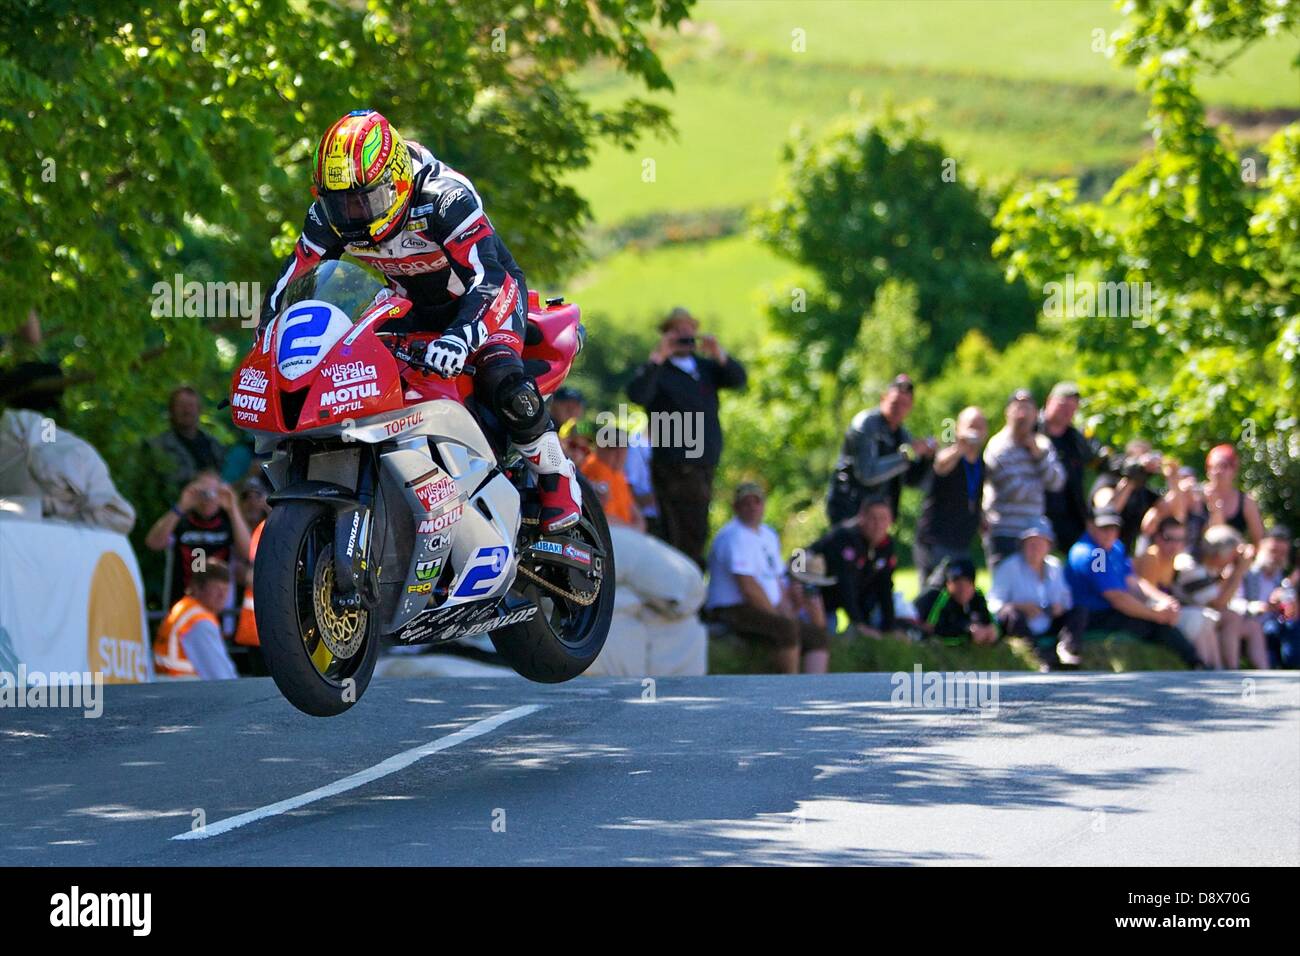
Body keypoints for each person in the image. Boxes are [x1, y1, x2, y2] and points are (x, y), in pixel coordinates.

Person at [257, 109, 581, 533]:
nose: (353, 214)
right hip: (410, 305)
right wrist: (266, 343)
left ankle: (556, 475)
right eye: (340, 202)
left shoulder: (444, 197)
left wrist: (462, 338)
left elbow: (489, 277)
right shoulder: (330, 215)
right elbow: (294, 279)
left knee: (499, 373)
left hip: (483, 296)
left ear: (397, 180)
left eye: (365, 200)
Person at [626, 307, 746, 567]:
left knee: (696, 528)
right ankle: (683, 582)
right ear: (667, 334)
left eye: (689, 330)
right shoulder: (660, 371)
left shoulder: (704, 368)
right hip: (675, 464)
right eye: (677, 331)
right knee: (682, 530)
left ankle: (687, 582)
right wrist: (658, 357)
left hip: (704, 461)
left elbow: (738, 379)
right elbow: (637, 394)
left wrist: (718, 353)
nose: (684, 335)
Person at [704, 483, 829, 674]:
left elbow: (776, 579)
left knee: (816, 636)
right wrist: (777, 615)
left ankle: (816, 687)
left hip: (763, 606)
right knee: (786, 629)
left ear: (763, 505)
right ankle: (790, 686)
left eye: (757, 502)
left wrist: (785, 607)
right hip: (732, 608)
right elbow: (748, 587)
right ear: (736, 507)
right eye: (746, 503)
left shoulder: (768, 534)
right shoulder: (733, 536)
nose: (752, 507)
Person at [1064, 508, 1200, 666]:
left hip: (1111, 610)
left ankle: (1196, 663)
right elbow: (1116, 598)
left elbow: (1132, 581)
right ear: (1090, 526)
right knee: (1155, 624)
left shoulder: (1115, 547)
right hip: (1091, 616)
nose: (1110, 533)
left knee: (1159, 619)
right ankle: (1195, 663)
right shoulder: (1094, 554)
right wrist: (1155, 614)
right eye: (1104, 528)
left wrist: (1163, 600)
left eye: (1113, 528)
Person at [826, 374, 933, 524]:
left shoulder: (902, 435)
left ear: (910, 407)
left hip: (875, 516)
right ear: (883, 398)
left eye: (904, 405)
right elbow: (867, 473)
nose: (898, 409)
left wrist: (926, 458)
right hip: (848, 507)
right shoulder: (865, 424)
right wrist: (906, 456)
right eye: (895, 403)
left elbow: (912, 481)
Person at [144, 470, 251, 611]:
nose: (208, 498)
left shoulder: (228, 522)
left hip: (220, 612)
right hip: (181, 608)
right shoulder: (180, 521)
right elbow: (153, 543)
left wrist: (233, 508)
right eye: (203, 491)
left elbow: (249, 552)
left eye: (214, 492)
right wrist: (181, 505)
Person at [982, 389, 1065, 570]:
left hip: (1036, 532)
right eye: (1018, 409)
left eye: (1028, 410)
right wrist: (1042, 480)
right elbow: (1015, 491)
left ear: (1036, 414)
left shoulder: (1042, 444)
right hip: (1005, 531)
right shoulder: (998, 447)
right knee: (1008, 591)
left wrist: (1038, 456)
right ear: (1008, 413)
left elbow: (1057, 482)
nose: (1022, 415)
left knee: (1035, 590)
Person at [988, 518, 1086, 669]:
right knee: (1011, 614)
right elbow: (994, 602)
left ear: (1048, 546)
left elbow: (1066, 598)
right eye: (1031, 543)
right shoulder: (1009, 567)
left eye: (1040, 543)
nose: (1035, 548)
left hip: (1049, 621)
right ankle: (1037, 656)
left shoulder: (1055, 566)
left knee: (1079, 611)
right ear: (1022, 546)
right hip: (1023, 625)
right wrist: (1020, 606)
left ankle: (1067, 649)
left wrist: (1058, 607)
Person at [1132, 516, 1222, 667]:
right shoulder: (1151, 557)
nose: (1175, 544)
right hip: (1149, 617)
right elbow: (1146, 597)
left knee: (1208, 616)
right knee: (1198, 617)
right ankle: (1203, 667)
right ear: (1158, 538)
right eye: (1169, 538)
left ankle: (1218, 668)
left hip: (1165, 612)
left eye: (1180, 539)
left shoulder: (1174, 559)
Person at [914, 405, 987, 586]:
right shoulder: (951, 455)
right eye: (971, 425)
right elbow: (940, 465)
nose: (975, 431)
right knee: (932, 594)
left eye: (980, 426)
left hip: (961, 542)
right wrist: (959, 447)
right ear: (958, 429)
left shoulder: (980, 463)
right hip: (935, 542)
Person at [1176, 525, 1267, 669]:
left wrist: (1235, 569)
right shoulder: (1191, 566)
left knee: (1252, 626)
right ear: (1219, 554)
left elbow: (1220, 596)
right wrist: (1238, 571)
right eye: (1232, 556)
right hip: (1187, 615)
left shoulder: (1209, 565)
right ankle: (1230, 668)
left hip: (1201, 613)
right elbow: (1218, 603)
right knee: (1231, 617)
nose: (1233, 560)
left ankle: (1264, 671)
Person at [807, 498, 899, 637]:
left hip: (851, 596)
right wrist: (859, 624)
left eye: (883, 519)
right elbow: (845, 584)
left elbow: (885, 585)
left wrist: (889, 628)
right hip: (814, 598)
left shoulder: (886, 545)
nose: (878, 525)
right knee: (826, 637)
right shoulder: (845, 538)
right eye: (873, 518)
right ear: (861, 517)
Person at [1040, 382, 1106, 552]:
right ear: (1049, 401)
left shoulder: (1077, 439)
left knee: (1094, 559)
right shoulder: (1031, 432)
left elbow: (1101, 462)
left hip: (1071, 517)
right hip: (1038, 514)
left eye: (1073, 407)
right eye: (1063, 405)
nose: (1067, 411)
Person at [153, 560, 239, 680]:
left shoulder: (185, 607)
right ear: (198, 589)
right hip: (182, 685)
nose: (222, 595)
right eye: (216, 589)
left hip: (169, 682)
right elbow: (220, 674)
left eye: (225, 589)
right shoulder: (199, 621)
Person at [1234, 526, 1298, 668]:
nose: (1277, 557)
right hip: (1253, 625)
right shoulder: (1247, 573)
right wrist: (1260, 606)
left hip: (1277, 626)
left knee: (1293, 626)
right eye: (1273, 551)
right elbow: (1234, 602)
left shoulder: (1280, 579)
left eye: (1282, 553)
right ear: (1262, 548)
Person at [1090, 438, 1165, 555]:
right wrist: (1130, 478)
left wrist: (1173, 477)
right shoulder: (1108, 480)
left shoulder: (1143, 490)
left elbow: (1172, 509)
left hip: (1120, 552)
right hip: (1098, 549)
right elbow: (1106, 510)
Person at [148, 386, 226, 491]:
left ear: (199, 410)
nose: (187, 410)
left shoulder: (214, 445)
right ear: (171, 410)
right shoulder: (157, 447)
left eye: (191, 405)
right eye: (181, 406)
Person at [1196, 444, 1265, 552]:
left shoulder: (1246, 501)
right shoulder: (1197, 497)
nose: (1218, 471)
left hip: (1233, 559)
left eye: (1224, 466)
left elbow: (1259, 541)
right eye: (1213, 467)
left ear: (1234, 470)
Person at [913, 559, 998, 646]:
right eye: (956, 585)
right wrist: (968, 632)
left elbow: (992, 623)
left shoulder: (978, 597)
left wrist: (990, 632)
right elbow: (934, 632)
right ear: (948, 584)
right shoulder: (940, 598)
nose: (960, 590)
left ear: (973, 585)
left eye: (964, 585)